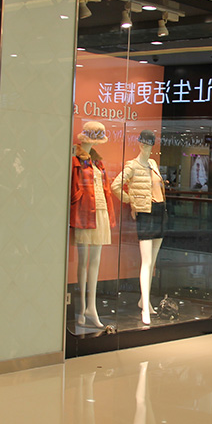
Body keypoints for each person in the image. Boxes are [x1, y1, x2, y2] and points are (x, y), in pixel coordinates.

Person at [112, 129, 166, 325]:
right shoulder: (132, 166)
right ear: (139, 144)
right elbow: (115, 186)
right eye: (144, 143)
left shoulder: (153, 164)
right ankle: (144, 309)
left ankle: (145, 301)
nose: (146, 147)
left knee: (152, 262)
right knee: (146, 261)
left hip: (160, 212)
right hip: (145, 214)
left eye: (150, 144)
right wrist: (132, 201)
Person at [71, 121, 115, 329]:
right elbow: (74, 187)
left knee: (95, 260)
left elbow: (105, 189)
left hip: (101, 211)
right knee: (82, 261)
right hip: (84, 212)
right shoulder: (76, 160)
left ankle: (91, 307)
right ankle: (81, 307)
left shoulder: (98, 162)